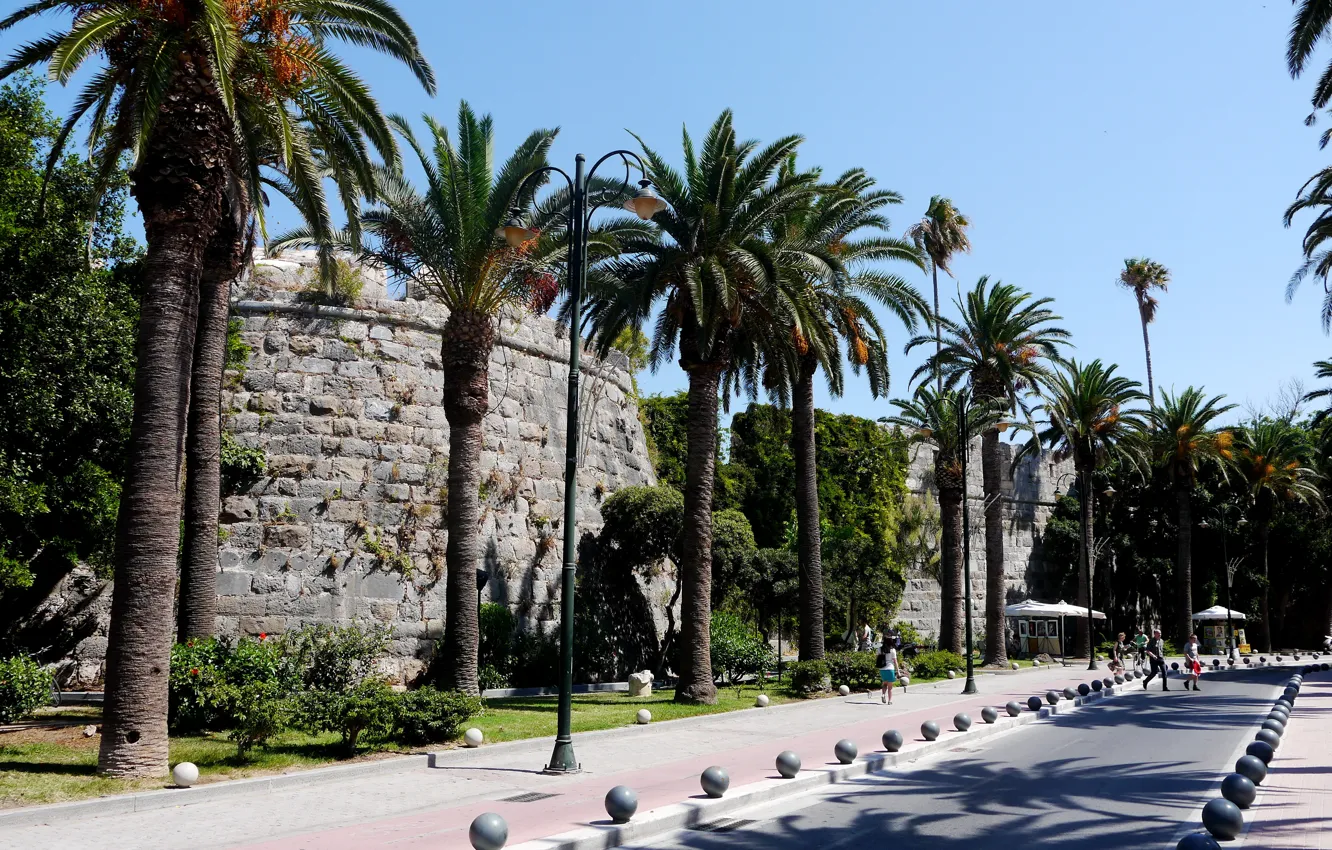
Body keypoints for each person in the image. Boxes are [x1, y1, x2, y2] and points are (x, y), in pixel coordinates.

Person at [876, 638, 898, 704]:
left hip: (882, 669)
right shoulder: (892, 650)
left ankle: (883, 694)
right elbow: (895, 661)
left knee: (885, 684)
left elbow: (877, 658)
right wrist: (898, 671)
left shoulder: (879, 649)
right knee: (890, 687)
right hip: (890, 669)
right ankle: (890, 701)